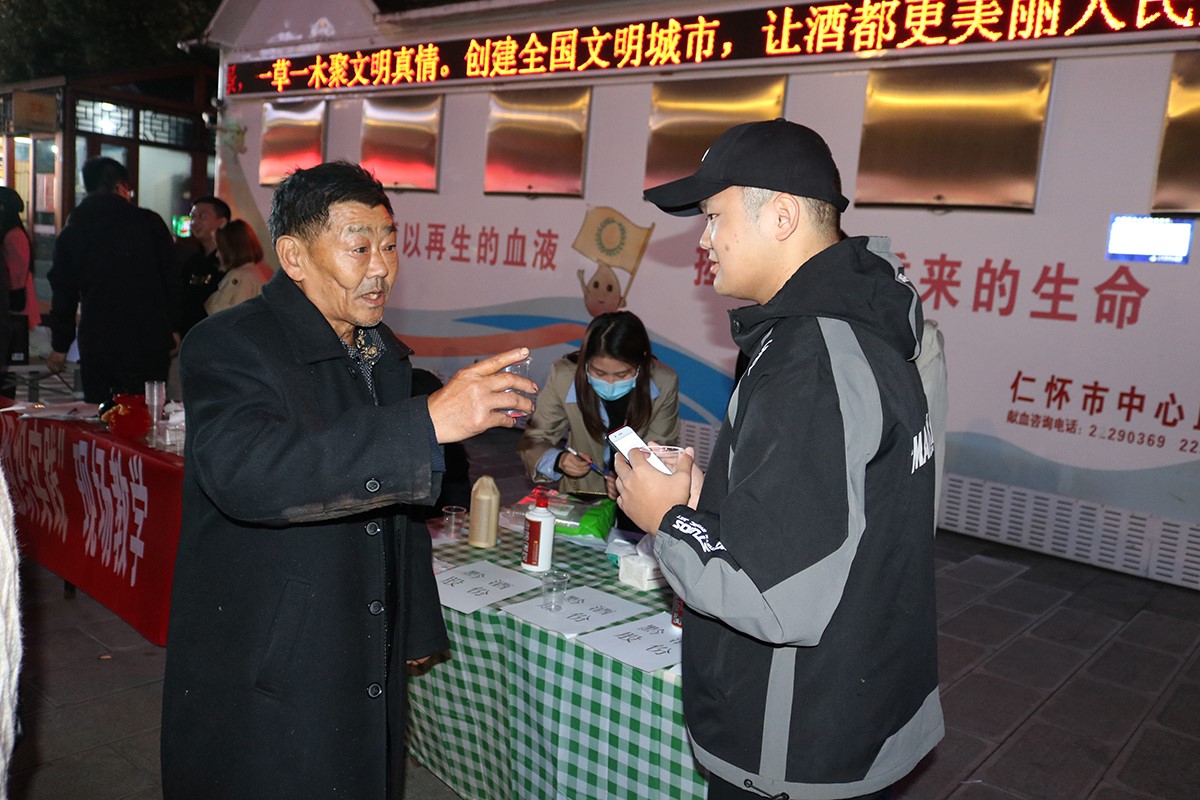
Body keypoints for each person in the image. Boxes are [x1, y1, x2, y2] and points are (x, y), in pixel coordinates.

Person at [159, 160, 537, 799]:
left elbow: (395, 506)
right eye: (359, 248)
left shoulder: (377, 351)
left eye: (389, 245)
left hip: (362, 629)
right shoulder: (230, 344)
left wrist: (414, 621)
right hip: (271, 644)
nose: (381, 267)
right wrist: (424, 423)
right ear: (294, 257)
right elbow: (247, 473)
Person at [618, 118, 942, 800]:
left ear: (783, 217)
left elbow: (773, 593)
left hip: (797, 735)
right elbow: (844, 512)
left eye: (714, 217)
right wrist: (710, 499)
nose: (703, 240)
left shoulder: (809, 358)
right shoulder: (869, 321)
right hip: (859, 700)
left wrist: (667, 519)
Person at [45, 158, 180, 404]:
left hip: (98, 340)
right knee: (146, 412)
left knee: (103, 412)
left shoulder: (73, 232)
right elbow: (171, 279)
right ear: (121, 186)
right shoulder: (148, 223)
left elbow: (63, 292)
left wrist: (60, 344)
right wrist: (174, 327)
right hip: (148, 339)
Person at [518, 310, 679, 498]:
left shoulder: (663, 382)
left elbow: (660, 451)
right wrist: (559, 460)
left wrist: (629, 480)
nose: (610, 383)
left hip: (641, 495)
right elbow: (534, 439)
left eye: (622, 374)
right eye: (599, 373)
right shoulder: (564, 377)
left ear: (641, 363)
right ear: (585, 361)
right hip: (582, 490)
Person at [177, 195, 231, 336]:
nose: (195, 222)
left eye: (202, 216)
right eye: (192, 217)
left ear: (222, 222)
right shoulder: (191, 261)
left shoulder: (231, 261)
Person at [1, 187, 37, 396]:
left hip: (13, 307)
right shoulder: (12, 233)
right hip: (11, 306)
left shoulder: (13, 235)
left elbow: (15, 276)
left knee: (9, 369)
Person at [203, 219, 272, 316]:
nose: (217, 254)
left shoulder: (241, 276)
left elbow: (220, 313)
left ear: (230, 249)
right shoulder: (258, 269)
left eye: (219, 249)